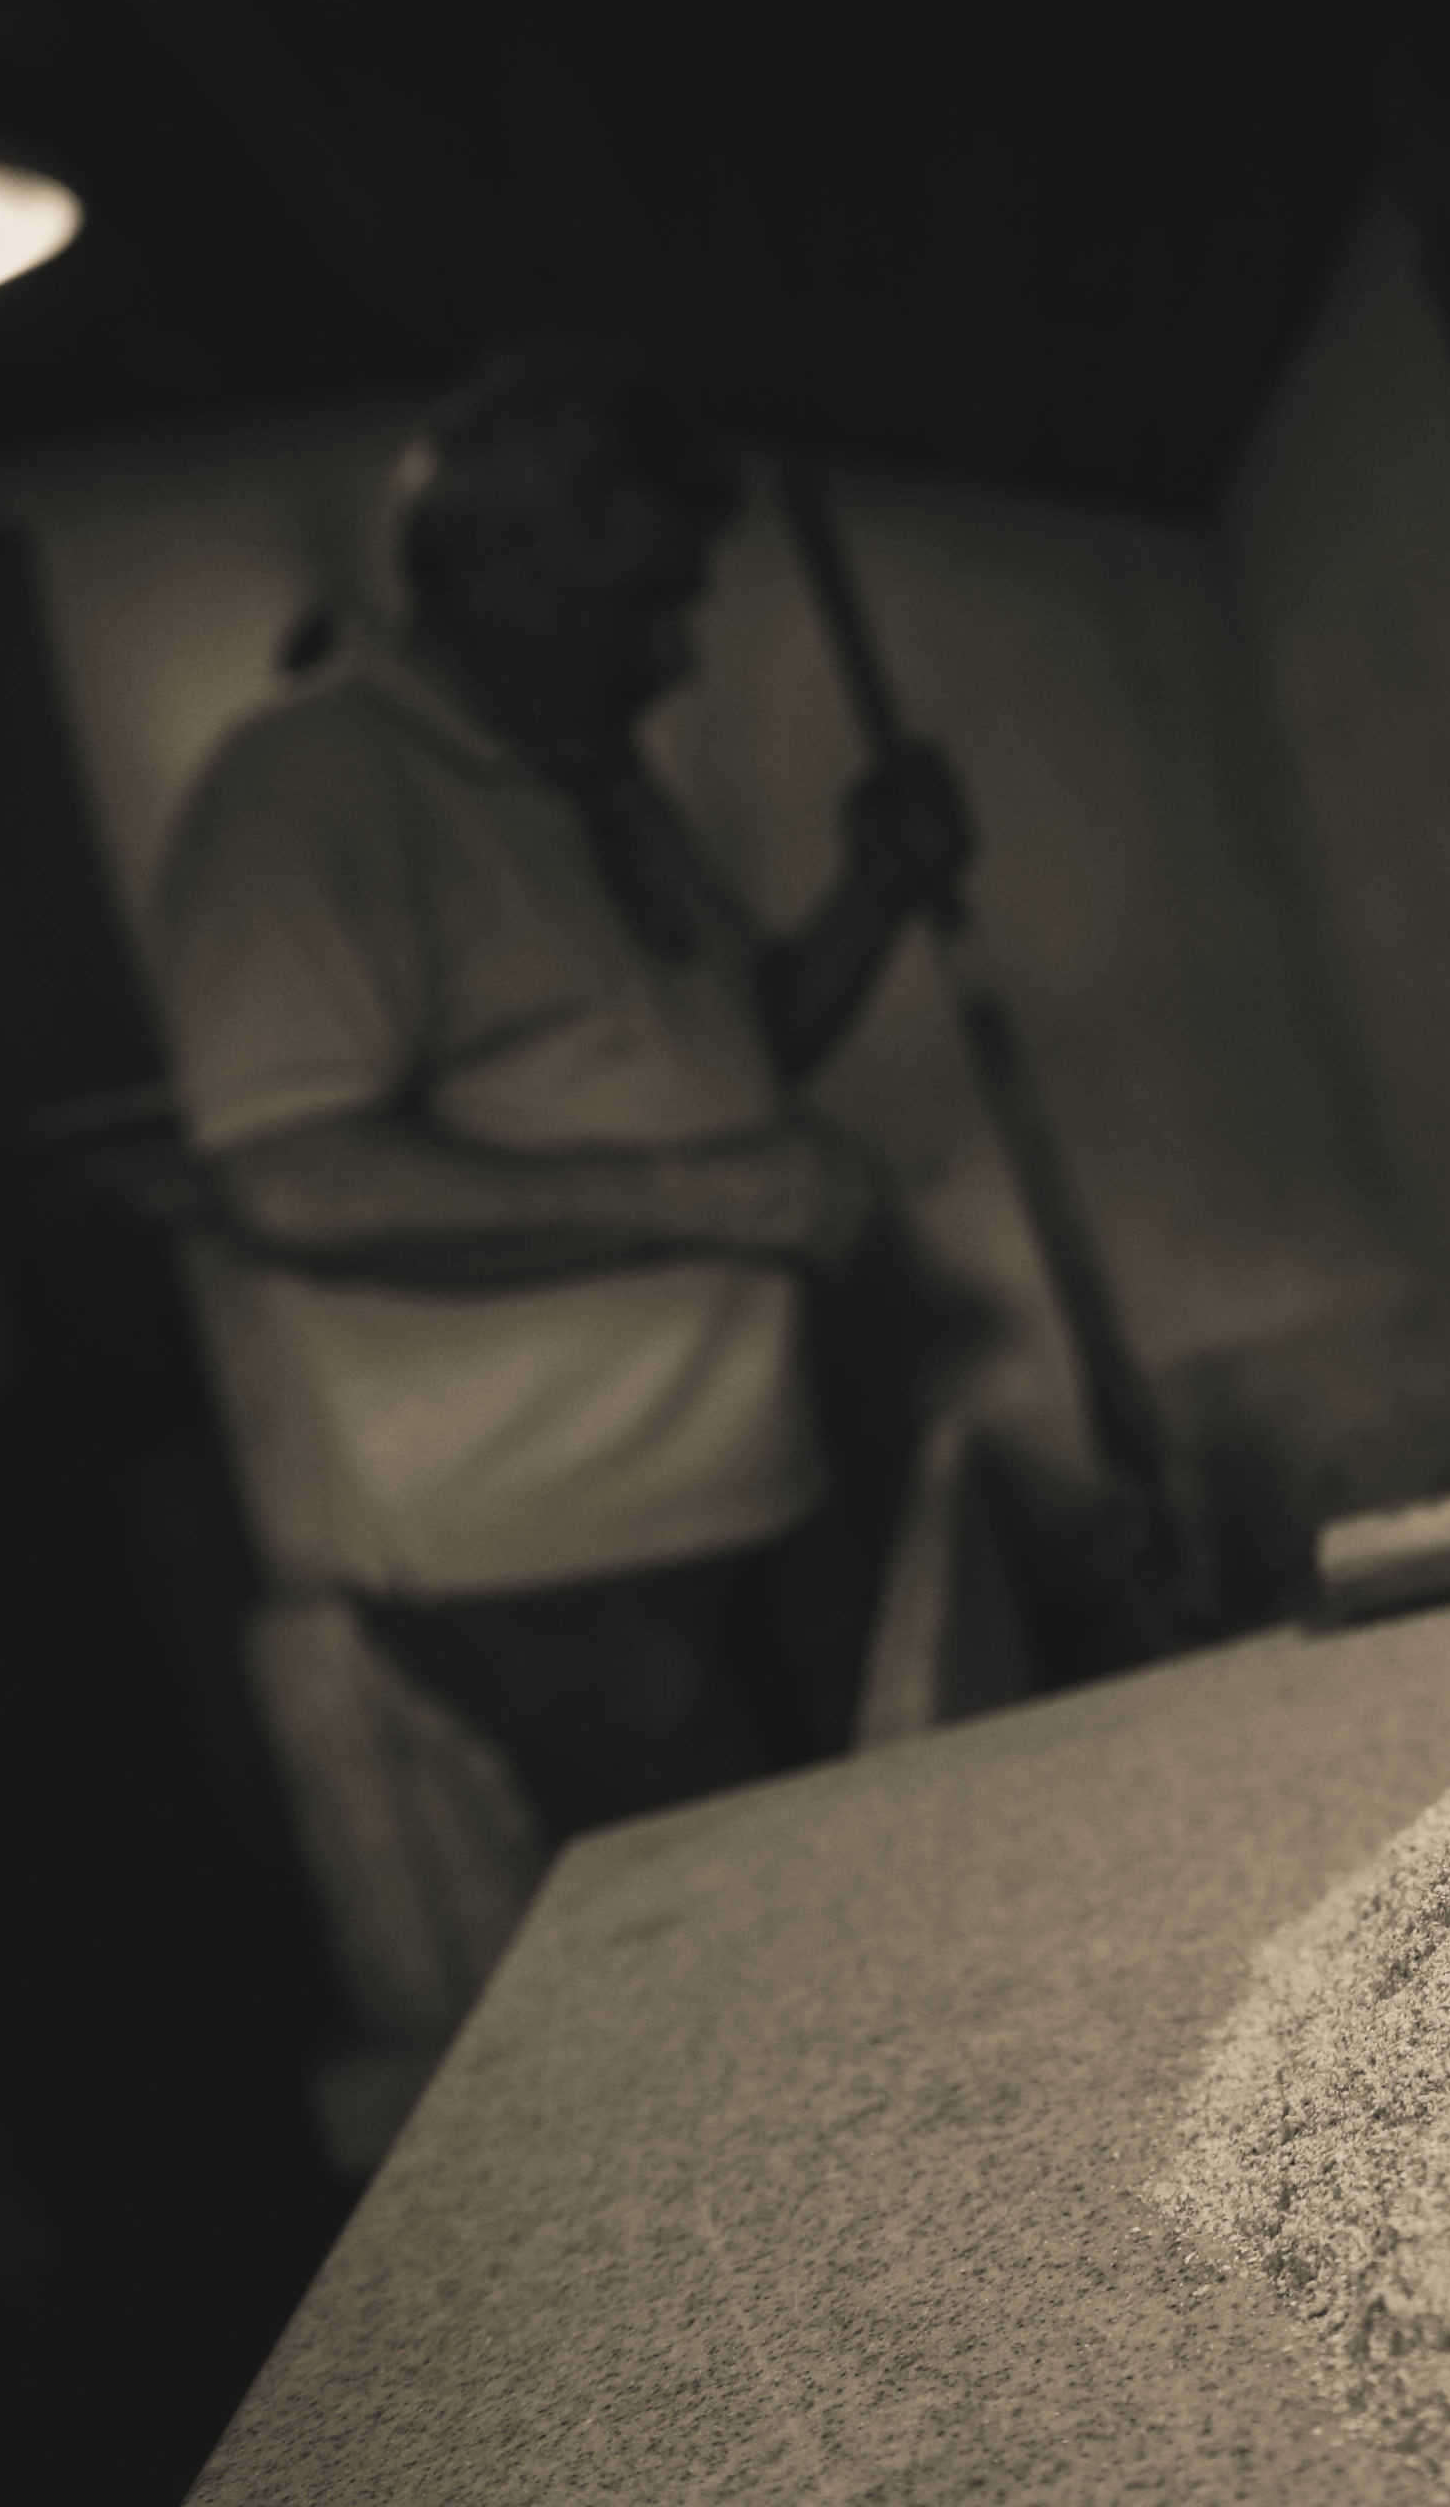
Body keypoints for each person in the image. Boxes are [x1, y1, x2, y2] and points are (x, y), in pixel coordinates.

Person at [148, 338, 974, 1850]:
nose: (676, 654)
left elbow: (735, 1054)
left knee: (881, 1868)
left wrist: (875, 890)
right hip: (549, 1563)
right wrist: (714, 1197)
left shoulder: (597, 780)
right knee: (753, 1927)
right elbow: (293, 1182)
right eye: (641, 599)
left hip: (755, 1480)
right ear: (494, 571)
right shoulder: (307, 796)